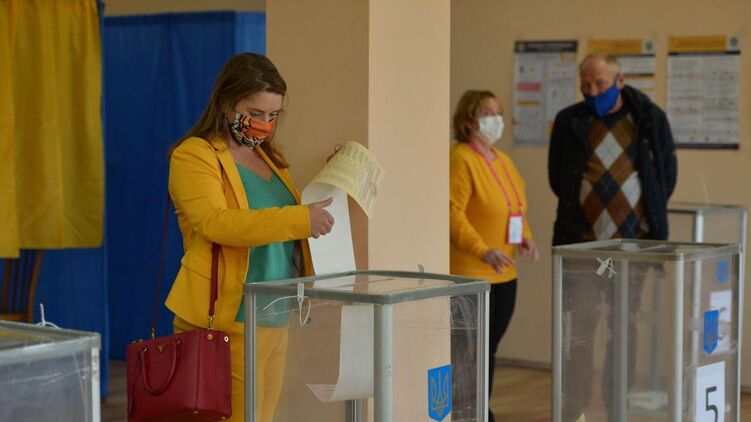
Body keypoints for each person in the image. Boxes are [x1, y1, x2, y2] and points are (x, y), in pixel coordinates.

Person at [165, 52, 335, 422]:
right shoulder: (194, 155)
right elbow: (218, 223)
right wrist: (301, 219)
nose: (264, 124)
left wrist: (333, 177)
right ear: (226, 102)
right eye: (255, 113)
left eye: (273, 115)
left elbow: (284, 220)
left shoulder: (270, 159)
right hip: (227, 318)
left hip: (275, 315)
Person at [548, 53, 677, 421]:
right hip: (582, 247)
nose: (592, 92)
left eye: (600, 84)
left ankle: (616, 408)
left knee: (623, 330)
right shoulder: (570, 121)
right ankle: (574, 410)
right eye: (586, 85)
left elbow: (665, 175)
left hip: (632, 248)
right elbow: (558, 178)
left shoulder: (649, 119)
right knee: (580, 330)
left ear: (620, 81)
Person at [449, 89, 539, 422]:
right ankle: (469, 413)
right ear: (468, 120)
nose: (495, 119)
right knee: (468, 351)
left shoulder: (502, 160)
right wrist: (482, 249)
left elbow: (516, 206)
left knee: (488, 348)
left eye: (498, 112)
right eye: (487, 113)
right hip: (472, 274)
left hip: (505, 274)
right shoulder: (461, 158)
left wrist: (525, 237)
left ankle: (479, 410)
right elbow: (453, 213)